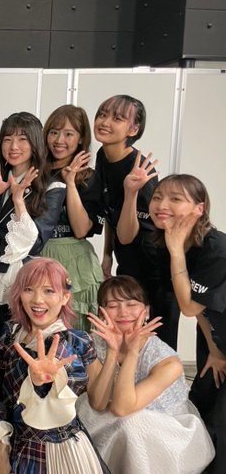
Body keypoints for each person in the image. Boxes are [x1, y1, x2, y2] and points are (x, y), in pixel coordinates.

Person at [0, 257, 107, 474]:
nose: (37, 300)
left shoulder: (72, 343)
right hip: (13, 445)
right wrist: (2, 450)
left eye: (49, 291)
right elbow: (2, 399)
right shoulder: (10, 333)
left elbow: (85, 404)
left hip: (57, 455)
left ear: (65, 297)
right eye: (29, 289)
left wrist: (40, 383)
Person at [77, 275, 214, 474]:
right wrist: (112, 352)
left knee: (132, 424)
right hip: (110, 417)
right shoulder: (93, 344)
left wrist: (132, 352)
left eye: (132, 304)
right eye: (113, 305)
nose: (123, 312)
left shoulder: (167, 361)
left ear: (147, 311)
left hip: (162, 429)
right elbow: (98, 403)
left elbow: (122, 409)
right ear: (101, 312)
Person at [0, 112, 65, 380]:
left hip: (19, 283)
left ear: (35, 144)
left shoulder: (52, 187)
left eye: (22, 139)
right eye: (7, 139)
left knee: (18, 359)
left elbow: (34, 242)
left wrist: (19, 199)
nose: (13, 146)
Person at [149, 174, 226, 473]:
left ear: (199, 208)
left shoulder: (216, 249)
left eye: (175, 199)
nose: (162, 205)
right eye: (157, 197)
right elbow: (201, 311)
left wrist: (176, 252)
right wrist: (214, 350)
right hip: (216, 338)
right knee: (203, 402)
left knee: (220, 419)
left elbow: (189, 305)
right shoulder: (168, 241)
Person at [92, 96, 169, 344]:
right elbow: (110, 212)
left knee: (155, 345)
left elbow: (127, 235)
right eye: (102, 114)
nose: (105, 122)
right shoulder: (104, 156)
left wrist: (130, 192)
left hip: (154, 271)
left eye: (117, 118)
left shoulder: (140, 172)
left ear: (133, 129)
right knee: (125, 342)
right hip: (128, 265)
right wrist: (107, 255)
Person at [41, 105, 104, 331]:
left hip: (75, 263)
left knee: (77, 334)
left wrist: (70, 182)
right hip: (39, 256)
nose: (59, 140)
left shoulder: (90, 177)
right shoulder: (36, 172)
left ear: (80, 139)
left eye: (68, 134)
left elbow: (81, 229)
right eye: (54, 132)